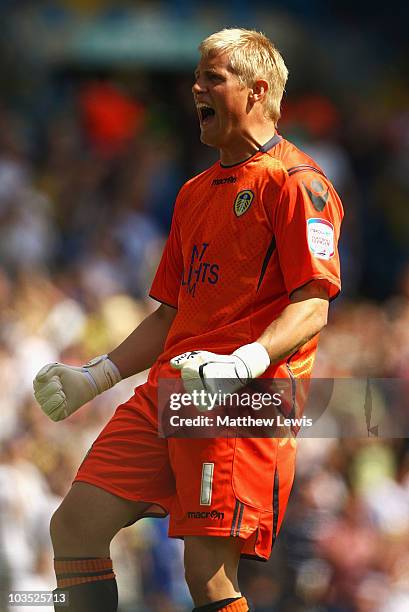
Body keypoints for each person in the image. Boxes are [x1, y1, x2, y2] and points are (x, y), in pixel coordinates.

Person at [33, 28, 343, 612]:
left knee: (207, 579)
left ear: (256, 91)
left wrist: (242, 362)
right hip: (172, 389)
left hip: (244, 398)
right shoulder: (193, 193)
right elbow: (171, 312)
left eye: (212, 78)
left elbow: (313, 305)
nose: (195, 87)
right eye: (196, 76)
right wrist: (95, 376)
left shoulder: (298, 185)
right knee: (74, 526)